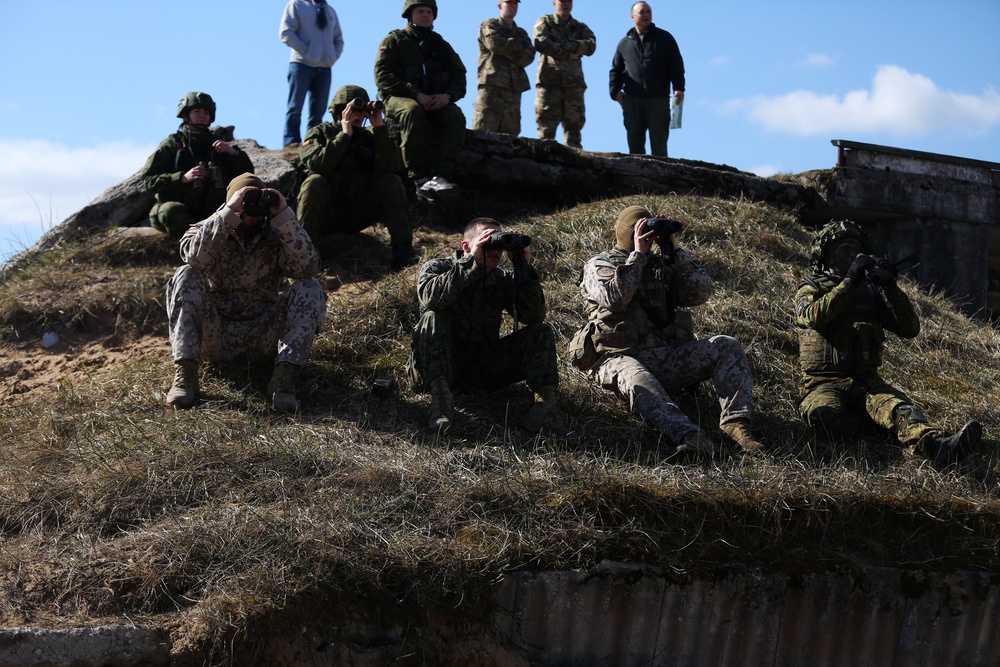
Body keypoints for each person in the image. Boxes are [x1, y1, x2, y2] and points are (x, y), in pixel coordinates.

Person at [568, 205, 762, 458]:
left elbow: (699, 293)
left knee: (726, 345)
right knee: (638, 378)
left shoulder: (661, 266)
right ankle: (690, 437)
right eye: (643, 230)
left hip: (665, 358)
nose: (650, 236)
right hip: (618, 358)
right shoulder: (600, 264)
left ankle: (736, 425)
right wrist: (637, 256)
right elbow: (615, 298)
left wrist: (673, 248)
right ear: (629, 233)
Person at [794, 220, 984, 464]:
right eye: (844, 251)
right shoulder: (811, 287)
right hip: (822, 383)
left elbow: (909, 329)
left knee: (901, 410)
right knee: (828, 421)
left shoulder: (870, 292)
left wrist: (890, 286)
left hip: (867, 382)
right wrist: (850, 280)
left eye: (856, 251)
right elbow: (811, 316)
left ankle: (938, 446)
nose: (852, 256)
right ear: (827, 257)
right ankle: (872, 425)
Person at [165, 173, 327, 414]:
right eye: (245, 201)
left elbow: (308, 268)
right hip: (216, 335)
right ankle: (186, 376)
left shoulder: (278, 234)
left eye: (256, 201)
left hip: (263, 336)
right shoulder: (207, 229)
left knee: (310, 287)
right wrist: (229, 213)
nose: (251, 210)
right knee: (186, 274)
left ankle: (283, 381)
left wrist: (284, 216)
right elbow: (195, 258)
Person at [406, 217, 570, 437]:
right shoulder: (439, 268)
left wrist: (524, 269)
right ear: (466, 246)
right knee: (432, 317)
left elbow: (533, 316)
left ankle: (546, 410)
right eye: (487, 243)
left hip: (481, 368)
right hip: (436, 366)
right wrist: (470, 264)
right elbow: (430, 301)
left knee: (541, 332)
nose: (495, 251)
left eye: (498, 244)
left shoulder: (500, 278)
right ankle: (441, 404)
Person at [298, 84, 418, 271]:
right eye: (353, 110)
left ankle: (403, 253)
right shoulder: (320, 133)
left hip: (356, 213)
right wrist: (344, 135)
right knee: (315, 181)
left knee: (391, 181)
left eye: (362, 111)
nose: (358, 115)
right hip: (326, 215)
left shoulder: (369, 138)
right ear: (340, 111)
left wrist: (379, 128)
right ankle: (301, 256)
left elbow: (388, 169)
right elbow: (318, 164)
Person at [374, 0, 467, 202]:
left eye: (429, 12)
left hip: (435, 101)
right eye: (420, 11)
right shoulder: (395, 41)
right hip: (399, 100)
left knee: (455, 116)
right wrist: (416, 94)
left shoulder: (441, 46)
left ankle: (440, 175)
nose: (425, 15)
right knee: (412, 110)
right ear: (410, 14)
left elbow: (459, 78)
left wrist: (447, 96)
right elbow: (383, 76)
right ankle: (419, 179)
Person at [141, 92, 254, 240]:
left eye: (206, 112)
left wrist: (234, 154)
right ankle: (181, 251)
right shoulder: (171, 145)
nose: (202, 115)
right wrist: (181, 178)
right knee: (174, 211)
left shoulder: (218, 145)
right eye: (197, 111)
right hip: (177, 209)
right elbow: (148, 181)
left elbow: (248, 178)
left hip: (209, 210)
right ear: (186, 115)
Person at [609, 2, 685, 157]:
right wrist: (615, 93)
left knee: (659, 148)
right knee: (635, 148)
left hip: (658, 99)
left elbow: (676, 64)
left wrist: (679, 88)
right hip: (632, 100)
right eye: (642, 12)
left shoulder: (664, 38)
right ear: (632, 17)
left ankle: (660, 179)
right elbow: (615, 70)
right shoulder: (624, 43)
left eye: (648, 12)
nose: (646, 15)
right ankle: (636, 180)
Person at [279, 0, 345, 148]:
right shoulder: (296, 5)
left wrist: (331, 57)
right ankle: (291, 143)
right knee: (295, 108)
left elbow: (339, 39)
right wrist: (307, 51)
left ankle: (313, 143)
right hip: (301, 65)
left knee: (319, 111)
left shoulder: (329, 10)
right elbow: (286, 33)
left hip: (325, 68)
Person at [532, 0, 596, 149]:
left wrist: (570, 46)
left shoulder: (579, 27)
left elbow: (591, 45)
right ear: (554, 3)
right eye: (562, 1)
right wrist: (569, 54)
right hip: (549, 83)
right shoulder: (545, 22)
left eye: (569, 1)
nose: (566, 4)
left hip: (573, 85)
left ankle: (574, 168)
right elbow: (541, 42)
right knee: (545, 132)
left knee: (574, 133)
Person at [473, 0, 535, 135]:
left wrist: (507, 48)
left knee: (510, 135)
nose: (513, 6)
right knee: (484, 131)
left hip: (513, 87)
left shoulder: (521, 33)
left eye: (515, 3)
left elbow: (529, 56)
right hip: (491, 84)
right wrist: (516, 46)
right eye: (509, 3)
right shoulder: (490, 24)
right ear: (500, 6)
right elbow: (494, 45)